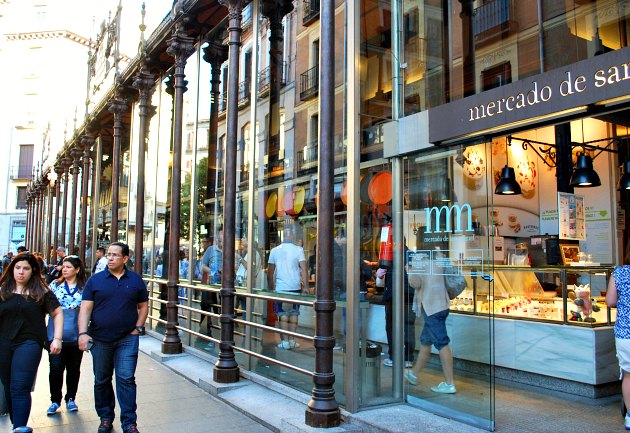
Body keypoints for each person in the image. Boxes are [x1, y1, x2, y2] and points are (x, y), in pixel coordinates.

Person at [78, 242, 148, 433]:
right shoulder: (95, 280)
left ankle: (129, 422)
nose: (109, 258)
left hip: (127, 338)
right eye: (108, 254)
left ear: (125, 258)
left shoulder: (135, 280)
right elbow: (85, 308)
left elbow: (143, 306)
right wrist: (83, 333)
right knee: (102, 379)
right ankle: (106, 417)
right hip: (99, 339)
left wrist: (138, 328)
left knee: (126, 379)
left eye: (115, 255)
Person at [0, 252, 63, 433]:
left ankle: (20, 427)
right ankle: (16, 424)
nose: (21, 272)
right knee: (8, 385)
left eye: (26, 268)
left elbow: (57, 313)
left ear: (33, 270)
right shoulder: (2, 290)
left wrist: (56, 338)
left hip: (30, 342)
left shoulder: (41, 292)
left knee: (20, 386)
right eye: (17, 268)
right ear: (12, 269)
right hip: (3, 342)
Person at [404, 248, 456, 394]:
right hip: (442, 304)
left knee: (441, 342)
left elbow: (416, 283)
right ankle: (413, 374)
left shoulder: (418, 258)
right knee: (426, 341)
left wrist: (409, 269)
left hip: (430, 306)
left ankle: (450, 383)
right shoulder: (440, 255)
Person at [46, 255, 87, 416]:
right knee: (55, 368)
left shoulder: (85, 287)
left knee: (74, 368)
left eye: (69, 267)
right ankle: (55, 400)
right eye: (64, 266)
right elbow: (45, 303)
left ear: (77, 269)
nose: (65, 269)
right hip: (56, 333)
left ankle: (71, 398)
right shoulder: (55, 284)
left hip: (76, 333)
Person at [267, 224, 308, 349]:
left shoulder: (275, 251)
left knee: (282, 314)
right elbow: (304, 269)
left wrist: (271, 287)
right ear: (292, 235)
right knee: (294, 314)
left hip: (281, 288)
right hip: (295, 286)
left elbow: (270, 272)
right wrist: (305, 286)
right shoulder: (298, 250)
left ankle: (285, 342)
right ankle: (292, 340)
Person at [606, 257, 630, 430]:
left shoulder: (620, 272)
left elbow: (610, 301)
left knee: (629, 375)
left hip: (625, 332)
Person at [200, 232, 222, 350]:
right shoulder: (211, 250)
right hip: (211, 286)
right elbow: (202, 267)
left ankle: (220, 339)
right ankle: (208, 337)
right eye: (219, 239)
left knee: (222, 314)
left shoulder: (230, 251)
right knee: (207, 308)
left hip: (224, 288)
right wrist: (213, 272)